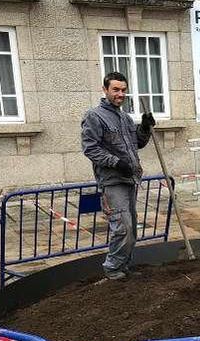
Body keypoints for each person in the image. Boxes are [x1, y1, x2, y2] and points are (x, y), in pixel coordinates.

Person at [81, 72, 156, 280]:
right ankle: (113, 270)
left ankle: (124, 268)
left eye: (123, 90)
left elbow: (137, 144)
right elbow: (90, 148)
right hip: (113, 181)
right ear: (105, 90)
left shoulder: (124, 118)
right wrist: (116, 163)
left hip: (130, 179)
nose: (120, 94)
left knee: (131, 230)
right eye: (115, 89)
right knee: (123, 228)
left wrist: (145, 127)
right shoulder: (94, 116)